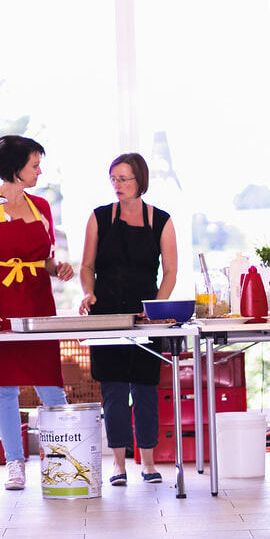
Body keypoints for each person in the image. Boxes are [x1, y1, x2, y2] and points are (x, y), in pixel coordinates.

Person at [0, 135, 74, 490]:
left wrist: (58, 269)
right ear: (15, 168)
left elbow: (46, 259)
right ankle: (14, 463)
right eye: (34, 165)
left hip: (36, 303)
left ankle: (65, 462)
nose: (39, 171)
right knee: (4, 389)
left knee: (50, 384)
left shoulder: (42, 206)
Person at [79, 153, 177, 486]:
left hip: (145, 317)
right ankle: (118, 465)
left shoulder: (161, 220)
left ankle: (148, 463)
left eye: (124, 179)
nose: (117, 185)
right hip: (105, 314)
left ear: (140, 181)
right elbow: (86, 266)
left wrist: (156, 307)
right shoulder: (99, 217)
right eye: (114, 179)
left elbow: (171, 271)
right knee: (114, 390)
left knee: (145, 388)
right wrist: (88, 292)